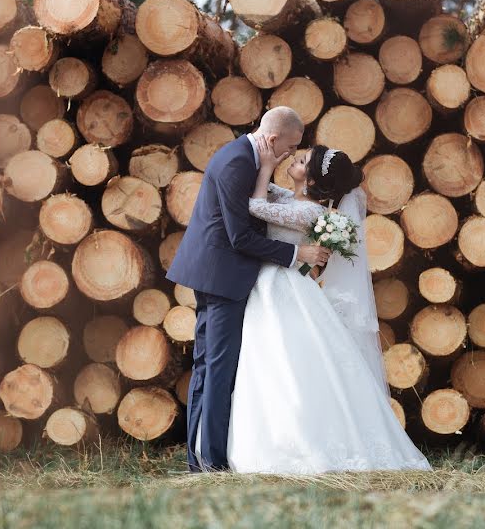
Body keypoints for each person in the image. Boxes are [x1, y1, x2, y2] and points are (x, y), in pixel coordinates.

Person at [225, 142, 432, 474]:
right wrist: (269, 163)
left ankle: (297, 445)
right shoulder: (293, 199)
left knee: (282, 359)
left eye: (302, 160)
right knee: (271, 360)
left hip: (283, 286)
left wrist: (265, 166)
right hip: (274, 285)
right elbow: (271, 194)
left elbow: (256, 206)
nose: (295, 158)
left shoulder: (308, 211)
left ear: (310, 181)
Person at [167, 107, 331, 473]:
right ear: (273, 141)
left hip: (218, 273)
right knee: (217, 369)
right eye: (289, 149)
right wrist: (296, 253)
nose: (289, 155)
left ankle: (200, 459)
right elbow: (240, 236)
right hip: (223, 276)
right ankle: (210, 462)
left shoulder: (246, 158)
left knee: (209, 366)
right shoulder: (237, 162)